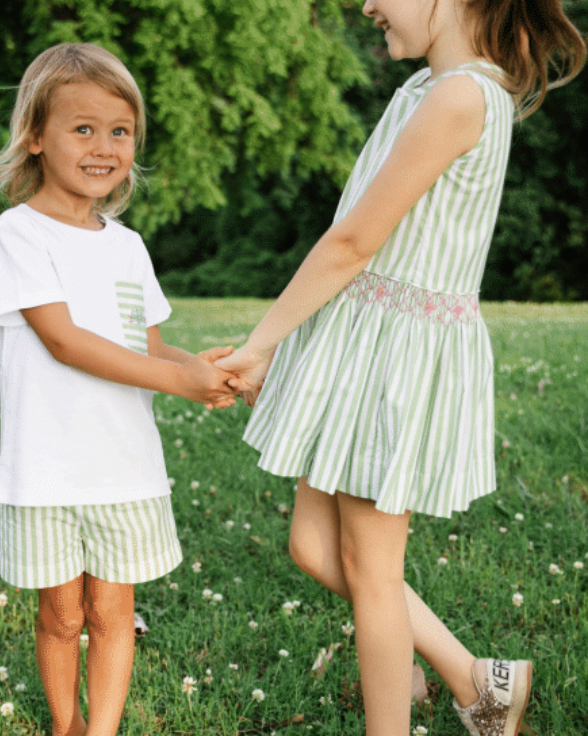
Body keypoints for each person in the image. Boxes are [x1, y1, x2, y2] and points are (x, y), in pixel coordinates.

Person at [216, 1, 585, 734]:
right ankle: (476, 681)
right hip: (364, 340)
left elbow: (353, 242)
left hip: (398, 360)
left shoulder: (461, 95)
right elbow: (355, 246)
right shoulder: (425, 89)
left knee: (374, 574)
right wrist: (288, 351)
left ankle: (415, 711)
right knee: (313, 546)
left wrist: (257, 343)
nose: (367, 6)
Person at [0, 43, 236, 736]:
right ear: (36, 136)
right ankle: (66, 724)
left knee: (112, 612)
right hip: (48, 470)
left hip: (124, 467)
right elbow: (64, 341)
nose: (104, 147)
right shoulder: (20, 234)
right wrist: (177, 380)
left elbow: (144, 348)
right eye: (82, 128)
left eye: (119, 131)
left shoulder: (128, 247)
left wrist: (206, 371)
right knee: (62, 613)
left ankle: (103, 731)